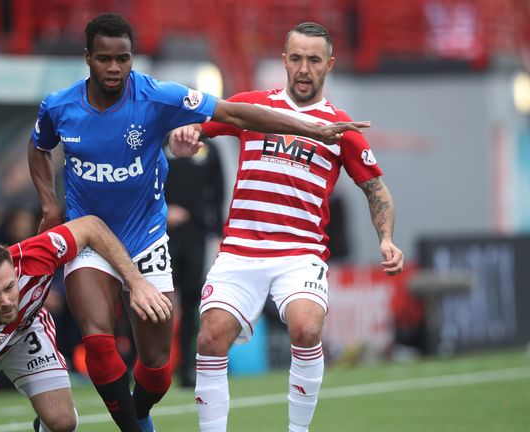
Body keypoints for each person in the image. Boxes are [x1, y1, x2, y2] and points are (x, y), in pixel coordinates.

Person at [28, 13, 369, 432]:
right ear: (87, 59)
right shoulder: (59, 106)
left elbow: (238, 114)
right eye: (104, 59)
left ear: (133, 58)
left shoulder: (158, 96)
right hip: (87, 238)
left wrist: (312, 129)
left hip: (146, 239)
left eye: (123, 59)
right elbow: (38, 147)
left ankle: (140, 410)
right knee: (98, 341)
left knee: (156, 371)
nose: (114, 68)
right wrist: (49, 204)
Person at [169, 22, 405, 432]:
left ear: (329, 65)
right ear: (284, 61)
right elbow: (190, 133)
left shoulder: (340, 129)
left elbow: (376, 190)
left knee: (306, 326)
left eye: (314, 60)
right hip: (241, 249)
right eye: (295, 58)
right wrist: (185, 136)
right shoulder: (252, 106)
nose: (303, 68)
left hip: (300, 253)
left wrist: (386, 238)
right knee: (209, 337)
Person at [0, 215, 170, 432]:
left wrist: (136, 282)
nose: (7, 300)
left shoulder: (34, 257)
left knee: (64, 422)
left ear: (14, 268)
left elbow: (90, 226)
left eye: (9, 287)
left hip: (23, 332)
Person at [164, 139, 225, 388]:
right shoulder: (159, 139)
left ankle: (186, 368)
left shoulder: (209, 147)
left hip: (196, 235)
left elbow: (218, 191)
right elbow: (142, 181)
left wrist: (220, 233)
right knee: (154, 299)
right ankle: (140, 365)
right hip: (159, 234)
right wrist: (162, 210)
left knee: (191, 302)